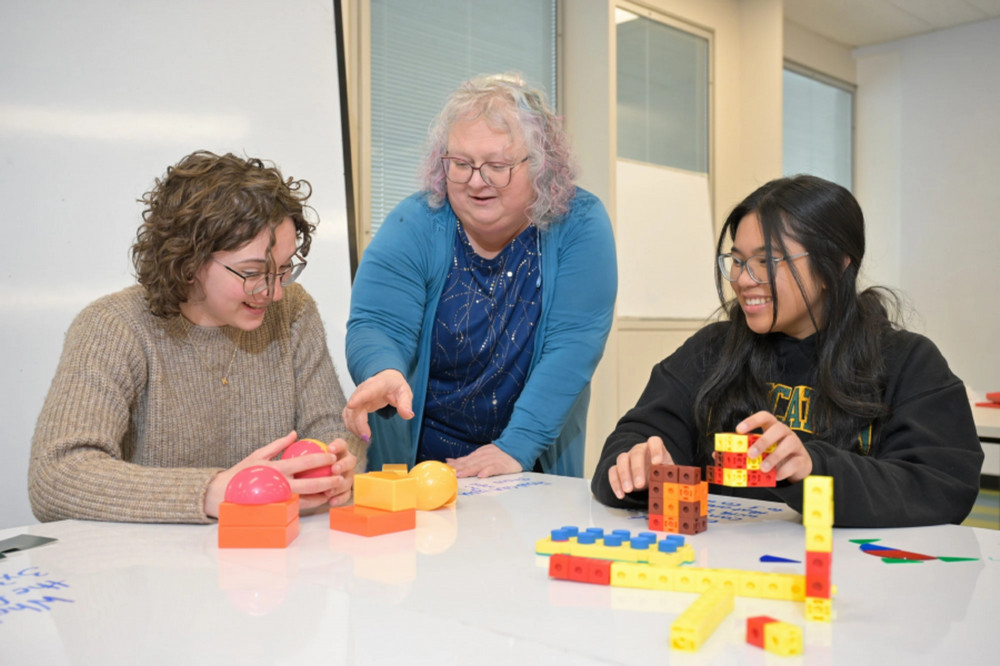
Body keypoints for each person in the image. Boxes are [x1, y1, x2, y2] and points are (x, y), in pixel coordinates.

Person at [591, 175, 983, 527]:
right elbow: (638, 437)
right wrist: (636, 466)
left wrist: (814, 469)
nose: (743, 279)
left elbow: (943, 486)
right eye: (738, 261)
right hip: (723, 582)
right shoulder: (711, 351)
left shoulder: (908, 362)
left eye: (767, 260)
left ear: (837, 263)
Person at [29, 151, 356, 523]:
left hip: (274, 562)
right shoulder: (113, 327)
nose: (275, 292)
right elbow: (56, 476)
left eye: (284, 270)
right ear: (188, 261)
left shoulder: (293, 311)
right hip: (148, 572)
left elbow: (330, 434)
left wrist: (338, 470)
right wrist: (213, 491)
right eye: (253, 272)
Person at [343, 74, 617, 479]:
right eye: (461, 164)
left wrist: (515, 448)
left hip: (528, 465)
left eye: (497, 166)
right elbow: (377, 323)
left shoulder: (579, 224)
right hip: (418, 472)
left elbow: (572, 348)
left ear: (540, 166)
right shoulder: (414, 222)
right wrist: (382, 369)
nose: (476, 181)